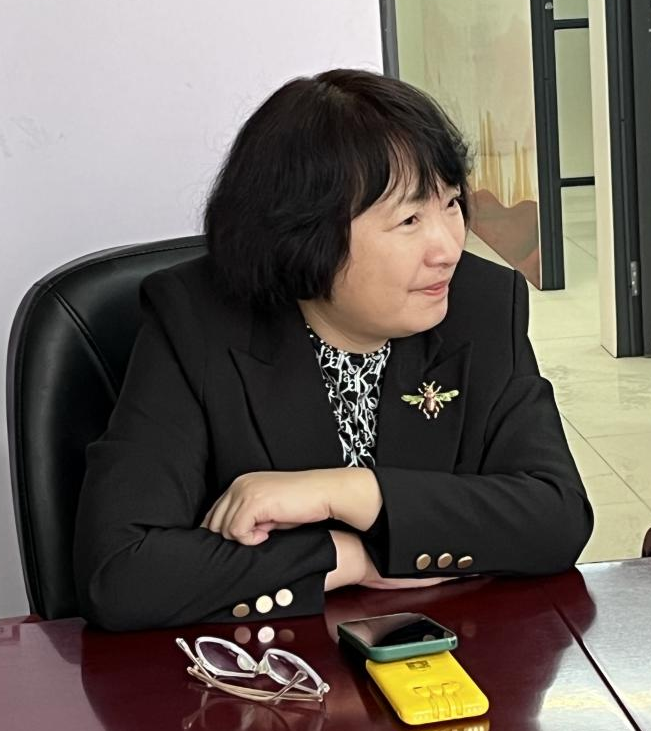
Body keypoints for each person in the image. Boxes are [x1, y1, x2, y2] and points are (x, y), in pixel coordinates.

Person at [74, 69, 593, 630]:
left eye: (450, 204)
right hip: (267, 667)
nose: (447, 247)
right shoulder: (195, 321)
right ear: (306, 235)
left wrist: (347, 493)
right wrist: (345, 557)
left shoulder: (482, 304)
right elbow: (120, 575)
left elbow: (557, 517)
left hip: (447, 657)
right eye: (410, 219)